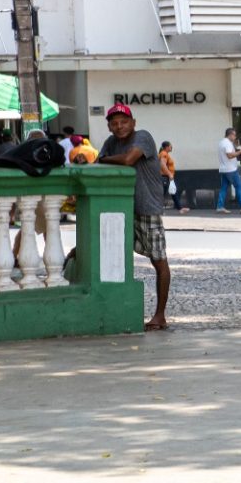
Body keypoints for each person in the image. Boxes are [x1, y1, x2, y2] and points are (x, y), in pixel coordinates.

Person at [96, 103, 171, 331]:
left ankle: (160, 315)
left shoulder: (143, 136)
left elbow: (129, 159)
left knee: (159, 261)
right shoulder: (111, 143)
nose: (119, 127)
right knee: (112, 257)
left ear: (133, 122)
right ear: (109, 126)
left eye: (124, 122)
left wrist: (104, 160)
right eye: (114, 123)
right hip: (122, 208)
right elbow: (97, 163)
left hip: (147, 208)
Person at [216, 127, 241, 213]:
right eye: (234, 135)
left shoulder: (222, 142)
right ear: (230, 135)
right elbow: (230, 155)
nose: (235, 137)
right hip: (230, 169)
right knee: (239, 186)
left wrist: (238, 148)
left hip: (223, 169)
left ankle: (220, 206)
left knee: (224, 188)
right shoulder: (227, 143)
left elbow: (230, 152)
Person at [159, 141, 188, 214]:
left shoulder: (165, 154)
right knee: (162, 194)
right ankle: (158, 210)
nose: (171, 147)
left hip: (166, 177)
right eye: (170, 146)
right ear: (166, 147)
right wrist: (169, 174)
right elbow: (163, 165)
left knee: (173, 192)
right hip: (164, 177)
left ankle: (180, 208)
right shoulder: (164, 154)